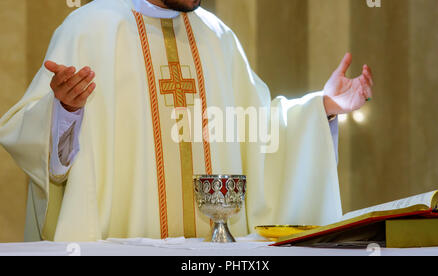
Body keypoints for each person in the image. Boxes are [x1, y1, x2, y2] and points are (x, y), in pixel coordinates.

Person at [0, 0, 373, 242]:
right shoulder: (89, 28)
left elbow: (258, 128)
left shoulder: (218, 36)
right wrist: (64, 112)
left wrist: (320, 108)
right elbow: (41, 155)